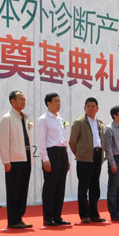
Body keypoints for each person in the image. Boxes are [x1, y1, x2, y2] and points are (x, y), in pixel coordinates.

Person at [0, 91, 34, 229]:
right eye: (20, 99)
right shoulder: (7, 118)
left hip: (26, 158)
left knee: (23, 191)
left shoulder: (24, 118)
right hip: (14, 160)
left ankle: (19, 218)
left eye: (24, 99)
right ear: (12, 101)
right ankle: (12, 220)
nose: (23, 102)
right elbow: (3, 141)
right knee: (13, 191)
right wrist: (6, 161)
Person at [35, 93, 71, 226]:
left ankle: (57, 216)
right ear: (48, 103)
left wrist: (67, 158)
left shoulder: (60, 119)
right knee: (50, 186)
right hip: (51, 153)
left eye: (59, 101)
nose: (58, 104)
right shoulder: (43, 119)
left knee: (60, 186)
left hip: (62, 153)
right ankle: (48, 217)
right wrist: (45, 159)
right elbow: (40, 140)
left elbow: (64, 140)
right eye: (55, 101)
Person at [69, 97, 106, 223]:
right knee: (83, 187)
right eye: (88, 106)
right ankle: (84, 215)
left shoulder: (100, 123)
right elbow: (72, 142)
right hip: (84, 158)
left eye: (93, 106)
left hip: (97, 155)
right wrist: (80, 154)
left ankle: (94, 214)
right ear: (84, 108)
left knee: (95, 187)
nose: (91, 108)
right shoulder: (79, 122)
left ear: (97, 108)